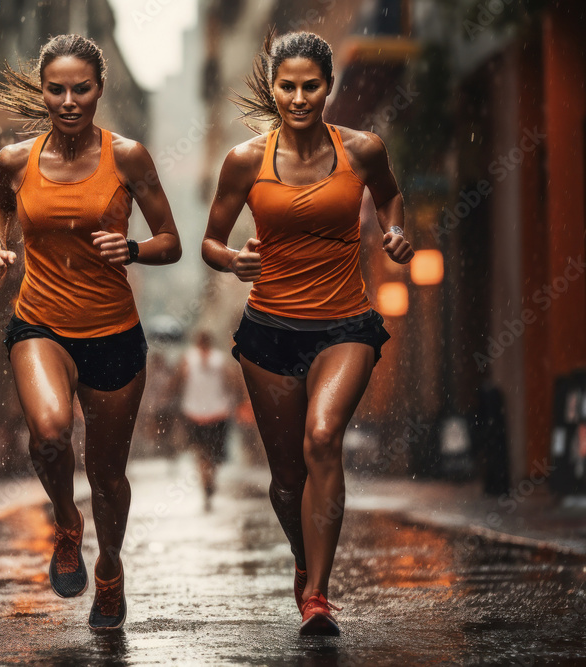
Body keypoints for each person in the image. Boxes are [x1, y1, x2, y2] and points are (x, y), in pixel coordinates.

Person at [201, 31, 414, 635]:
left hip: (345, 324)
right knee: (288, 479)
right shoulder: (245, 160)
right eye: (287, 86)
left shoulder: (363, 149)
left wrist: (398, 236)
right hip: (268, 331)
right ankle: (304, 557)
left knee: (322, 439)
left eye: (310, 86)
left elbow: (393, 202)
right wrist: (230, 261)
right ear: (272, 88)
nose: (298, 98)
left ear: (328, 87)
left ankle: (317, 595)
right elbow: (211, 240)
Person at [0, 34, 182, 631]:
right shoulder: (15, 161)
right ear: (42, 92)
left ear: (99, 90)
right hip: (40, 321)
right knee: (48, 435)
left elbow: (170, 242)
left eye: (81, 88)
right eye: (56, 89)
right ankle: (67, 524)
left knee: (108, 475)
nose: (69, 100)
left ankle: (111, 570)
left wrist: (135, 248)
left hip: (114, 334)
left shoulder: (129, 157)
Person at [176, 331, 236, 510]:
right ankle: (208, 481)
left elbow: (179, 381)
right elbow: (230, 381)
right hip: (213, 412)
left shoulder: (191, 359)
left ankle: (207, 480)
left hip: (200, 412)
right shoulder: (217, 359)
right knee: (210, 453)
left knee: (204, 453)